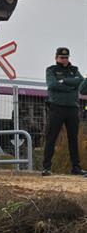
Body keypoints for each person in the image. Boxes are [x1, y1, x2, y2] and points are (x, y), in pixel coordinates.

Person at [41, 47, 84, 176]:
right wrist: (71, 87)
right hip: (57, 107)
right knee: (51, 137)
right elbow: (52, 85)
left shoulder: (74, 70)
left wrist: (64, 81)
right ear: (56, 58)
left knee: (73, 138)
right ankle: (46, 167)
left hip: (72, 108)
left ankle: (76, 167)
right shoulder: (51, 70)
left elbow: (81, 81)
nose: (64, 60)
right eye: (62, 57)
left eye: (66, 57)